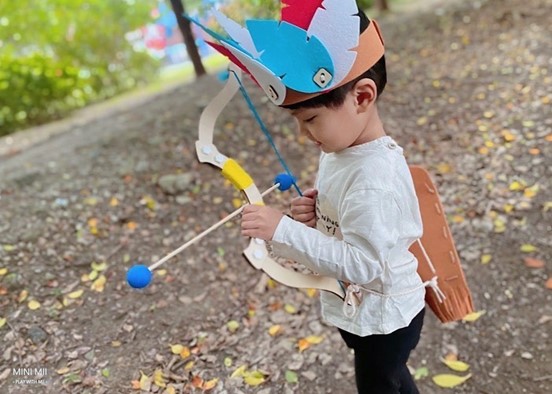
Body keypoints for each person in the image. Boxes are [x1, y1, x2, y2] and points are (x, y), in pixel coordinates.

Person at [239, 11, 426, 394]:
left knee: (381, 383)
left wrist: (282, 230)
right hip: (362, 309)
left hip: (385, 316)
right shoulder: (343, 150)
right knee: (386, 380)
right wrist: (318, 211)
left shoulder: (373, 179)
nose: (303, 134)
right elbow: (348, 218)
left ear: (361, 96)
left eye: (310, 119)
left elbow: (365, 263)